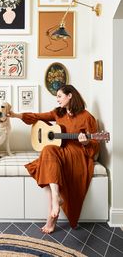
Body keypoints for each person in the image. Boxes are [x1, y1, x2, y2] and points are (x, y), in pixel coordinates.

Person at [8, 84, 99, 233]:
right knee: (48, 150)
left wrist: (87, 142)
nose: (57, 100)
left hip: (77, 154)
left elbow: (95, 146)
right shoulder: (59, 113)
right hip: (61, 150)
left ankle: (52, 217)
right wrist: (16, 115)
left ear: (70, 96)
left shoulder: (87, 117)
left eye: (59, 96)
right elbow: (37, 117)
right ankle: (56, 200)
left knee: (48, 158)